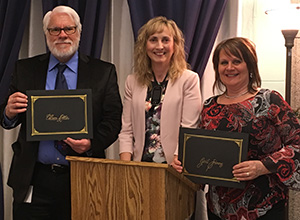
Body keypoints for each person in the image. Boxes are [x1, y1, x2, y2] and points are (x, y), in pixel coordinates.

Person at [0, 5, 122, 220]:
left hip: (84, 178)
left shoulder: (103, 72)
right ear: (46, 34)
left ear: (79, 32)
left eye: (69, 29)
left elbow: (113, 122)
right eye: (54, 29)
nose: (62, 35)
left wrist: (91, 143)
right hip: (34, 178)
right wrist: (9, 113)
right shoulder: (25, 69)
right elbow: (9, 118)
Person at [172, 37, 300, 220]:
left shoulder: (269, 100)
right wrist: (185, 162)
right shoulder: (209, 106)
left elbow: (297, 144)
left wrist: (262, 166)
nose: (229, 67)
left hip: (263, 208)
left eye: (236, 61)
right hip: (217, 208)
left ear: (249, 65)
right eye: (224, 62)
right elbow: (204, 151)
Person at [119, 16, 202, 165]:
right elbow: (126, 130)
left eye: (165, 40)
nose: (159, 46)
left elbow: (189, 129)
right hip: (140, 168)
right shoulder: (132, 81)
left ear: (175, 45)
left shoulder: (189, 80)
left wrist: (177, 161)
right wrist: (125, 167)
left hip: (174, 167)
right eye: (153, 40)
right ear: (144, 46)